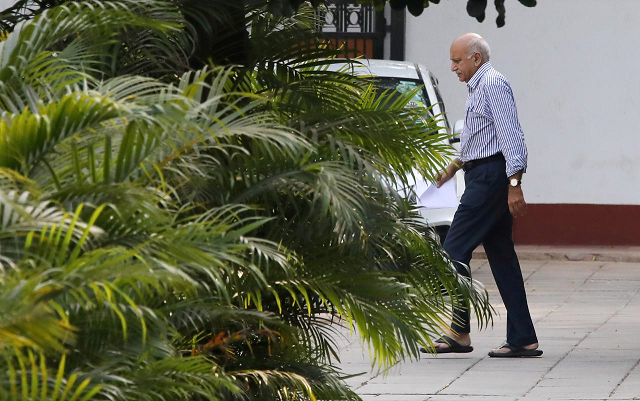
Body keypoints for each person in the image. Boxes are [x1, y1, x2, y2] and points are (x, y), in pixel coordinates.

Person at [426, 33, 542, 357]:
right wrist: (452, 167)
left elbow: (511, 135)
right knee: (503, 258)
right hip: (484, 173)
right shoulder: (478, 86)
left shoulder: (492, 83)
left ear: (476, 58)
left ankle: (459, 331)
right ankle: (523, 338)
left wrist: (515, 185)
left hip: (491, 178)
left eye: (457, 60)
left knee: (452, 250)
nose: (452, 67)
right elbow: (481, 137)